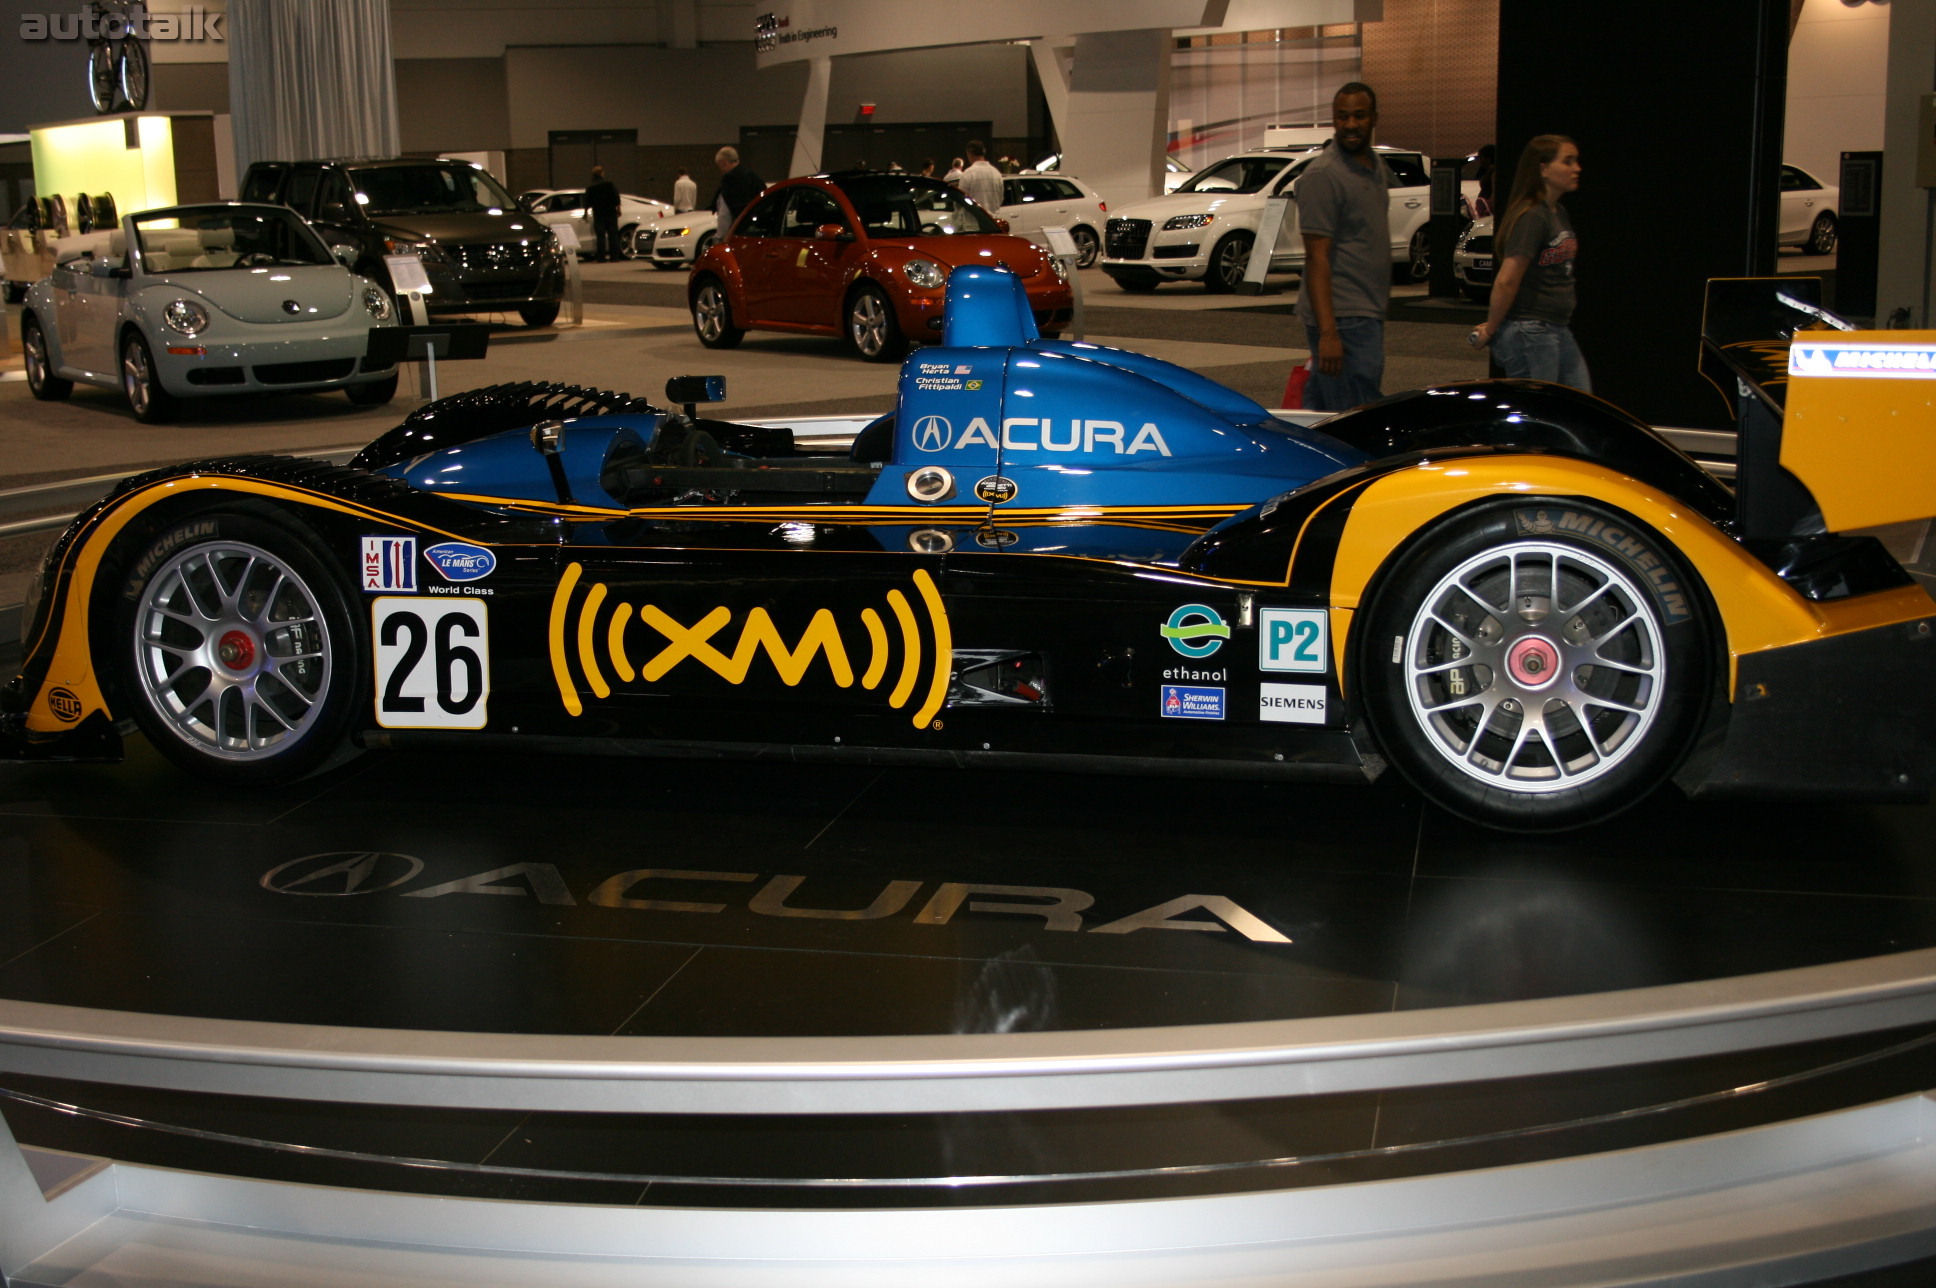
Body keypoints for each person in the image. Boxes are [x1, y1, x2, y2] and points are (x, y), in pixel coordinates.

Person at [1293, 81, 1391, 412]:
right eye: (1342, 116)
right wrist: (1328, 333)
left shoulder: (1375, 168)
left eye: (1359, 116)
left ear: (1374, 118)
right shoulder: (1324, 175)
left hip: (1365, 311)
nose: (1350, 124)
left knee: (1327, 414)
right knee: (1357, 417)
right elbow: (1316, 258)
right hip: (1344, 317)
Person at [1472, 134, 1587, 391]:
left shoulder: (1557, 212)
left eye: (1576, 161)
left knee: (1578, 405)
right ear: (1543, 168)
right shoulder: (1532, 216)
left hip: (1555, 326)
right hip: (1532, 330)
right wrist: (1491, 330)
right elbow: (1508, 279)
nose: (1576, 168)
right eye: (1568, 161)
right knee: (1538, 413)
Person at [710, 146, 765, 229]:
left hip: (741, 226)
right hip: (757, 222)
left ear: (724, 163)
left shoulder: (730, 179)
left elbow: (725, 212)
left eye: (719, 166)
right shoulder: (751, 174)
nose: (721, 170)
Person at [586, 164, 621, 262]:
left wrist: (585, 212)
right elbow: (616, 196)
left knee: (600, 237)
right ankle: (614, 257)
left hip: (598, 214)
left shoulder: (591, 187)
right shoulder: (609, 184)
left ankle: (601, 257)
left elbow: (587, 201)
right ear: (601, 173)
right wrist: (618, 208)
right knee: (613, 235)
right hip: (610, 213)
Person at [956, 140, 1003, 212]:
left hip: (973, 221)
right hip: (992, 220)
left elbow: (960, 202)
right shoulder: (996, 173)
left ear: (969, 153)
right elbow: (1000, 199)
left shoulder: (968, 173)